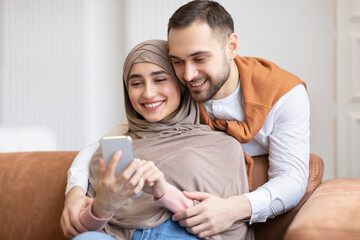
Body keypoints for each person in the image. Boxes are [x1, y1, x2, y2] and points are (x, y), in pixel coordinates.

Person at [61, 0, 310, 238]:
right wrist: (75, 192)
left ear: (232, 46)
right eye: (177, 61)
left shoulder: (284, 95)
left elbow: (292, 179)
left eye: (200, 58)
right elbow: (107, 143)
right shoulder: (181, 94)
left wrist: (234, 208)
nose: (188, 74)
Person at [66, 39, 251, 240]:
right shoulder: (110, 151)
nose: (148, 93)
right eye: (136, 83)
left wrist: (163, 191)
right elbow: (79, 231)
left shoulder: (221, 146)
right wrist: (101, 206)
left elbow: (225, 227)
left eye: (160, 80)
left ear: (181, 84)